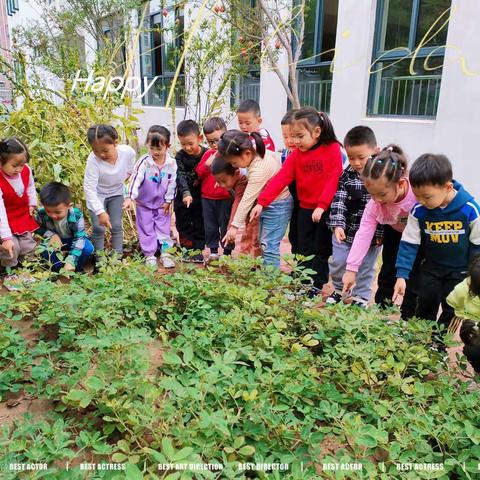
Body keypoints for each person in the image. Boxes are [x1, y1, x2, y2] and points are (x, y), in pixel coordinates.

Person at [251, 108, 342, 295]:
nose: (296, 141)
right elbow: (281, 178)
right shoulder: (297, 155)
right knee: (300, 243)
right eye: (293, 136)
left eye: (300, 136)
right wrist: (262, 202)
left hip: (323, 209)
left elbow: (334, 178)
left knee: (320, 247)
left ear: (317, 132)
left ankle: (316, 282)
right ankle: (302, 275)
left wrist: (322, 205)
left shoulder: (332, 148)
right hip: (304, 208)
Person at [393, 153, 480, 330]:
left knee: (452, 309)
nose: (421, 201)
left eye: (427, 196)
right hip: (431, 269)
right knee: (425, 303)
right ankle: (422, 340)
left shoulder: (470, 210)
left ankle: (440, 345)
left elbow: (477, 246)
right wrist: (402, 274)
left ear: (447, 187)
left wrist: (472, 277)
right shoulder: (419, 211)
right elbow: (409, 243)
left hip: (460, 272)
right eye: (417, 196)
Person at [342, 145, 420, 319]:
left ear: (400, 184)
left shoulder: (416, 195)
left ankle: (409, 318)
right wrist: (351, 269)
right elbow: (363, 233)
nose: (377, 199)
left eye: (382, 194)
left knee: (414, 278)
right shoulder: (375, 204)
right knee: (388, 271)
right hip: (394, 232)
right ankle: (381, 313)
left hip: (419, 239)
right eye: (372, 194)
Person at [327, 126, 383, 308]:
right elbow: (339, 200)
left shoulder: (382, 177)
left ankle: (361, 296)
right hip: (346, 231)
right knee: (338, 261)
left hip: (370, 238)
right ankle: (338, 289)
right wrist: (337, 225)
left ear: (376, 151)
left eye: (361, 157)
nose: (356, 163)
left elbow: (384, 210)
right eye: (351, 157)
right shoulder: (347, 175)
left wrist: (380, 235)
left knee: (366, 267)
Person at [219, 130, 291, 268]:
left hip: (278, 206)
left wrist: (234, 227)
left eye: (234, 162)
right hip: (267, 203)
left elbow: (247, 200)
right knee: (263, 243)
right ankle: (266, 276)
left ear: (246, 153)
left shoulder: (259, 169)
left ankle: (271, 283)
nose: (234, 166)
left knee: (269, 246)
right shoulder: (257, 150)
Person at [124, 125, 177, 268]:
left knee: (163, 229)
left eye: (159, 149)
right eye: (151, 148)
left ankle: (166, 253)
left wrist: (168, 200)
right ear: (147, 144)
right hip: (144, 204)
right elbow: (135, 179)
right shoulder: (145, 162)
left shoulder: (171, 164)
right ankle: (150, 255)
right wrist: (130, 197)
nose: (155, 152)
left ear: (167, 146)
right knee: (146, 229)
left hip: (162, 205)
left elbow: (172, 183)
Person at [83, 124, 136, 255]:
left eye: (105, 150)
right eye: (96, 151)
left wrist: (129, 194)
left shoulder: (127, 152)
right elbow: (89, 189)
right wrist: (100, 212)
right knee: (99, 228)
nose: (101, 154)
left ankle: (117, 257)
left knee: (116, 225)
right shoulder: (93, 161)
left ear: (115, 143)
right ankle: (99, 260)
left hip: (116, 193)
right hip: (97, 195)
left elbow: (132, 171)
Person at [0, 137, 38, 281]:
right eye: (15, 165)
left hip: (21, 216)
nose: (19, 169)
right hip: (4, 219)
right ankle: (9, 272)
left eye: (22, 164)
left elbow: (30, 187)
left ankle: (26, 268)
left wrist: (32, 203)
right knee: (11, 247)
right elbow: (0, 212)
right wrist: (6, 238)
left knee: (27, 244)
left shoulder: (25, 170)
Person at [195, 117, 233, 261]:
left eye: (218, 140)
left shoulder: (230, 155)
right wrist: (206, 165)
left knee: (226, 226)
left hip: (225, 197)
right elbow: (199, 173)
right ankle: (213, 251)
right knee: (210, 226)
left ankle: (228, 252)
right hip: (208, 198)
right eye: (211, 141)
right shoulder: (207, 154)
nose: (215, 144)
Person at [36, 182, 94, 272]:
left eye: (58, 212)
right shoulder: (42, 213)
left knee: (87, 248)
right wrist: (52, 235)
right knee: (45, 248)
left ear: (69, 206)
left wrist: (71, 259)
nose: (53, 215)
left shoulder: (76, 215)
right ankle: (58, 268)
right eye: (48, 211)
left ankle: (76, 269)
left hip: (72, 240)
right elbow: (38, 229)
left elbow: (79, 238)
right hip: (54, 241)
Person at [211, 156, 261, 257]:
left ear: (237, 173)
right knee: (249, 235)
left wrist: (232, 228)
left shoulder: (242, 181)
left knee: (253, 237)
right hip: (249, 212)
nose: (222, 185)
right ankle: (249, 261)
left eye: (224, 181)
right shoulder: (233, 177)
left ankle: (252, 263)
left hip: (256, 212)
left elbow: (237, 203)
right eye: (219, 182)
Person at [174, 119, 207, 263]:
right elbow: (179, 175)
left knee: (200, 222)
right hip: (183, 196)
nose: (187, 147)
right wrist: (186, 192)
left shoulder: (207, 154)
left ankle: (198, 250)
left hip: (201, 195)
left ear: (199, 138)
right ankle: (186, 250)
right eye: (183, 144)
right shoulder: (180, 156)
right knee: (183, 222)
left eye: (190, 143)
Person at [447, 255, 480, 374]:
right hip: (472, 327)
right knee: (472, 351)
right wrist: (448, 340)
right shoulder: (462, 290)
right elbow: (455, 312)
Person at [280, 109, 299, 255]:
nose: (289, 140)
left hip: (309, 201)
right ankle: (297, 267)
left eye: (293, 136)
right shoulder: (285, 154)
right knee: (294, 234)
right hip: (293, 200)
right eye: (285, 136)